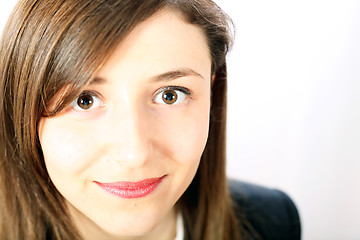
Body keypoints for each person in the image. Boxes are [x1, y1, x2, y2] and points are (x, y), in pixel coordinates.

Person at [0, 0, 301, 239]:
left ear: (211, 91)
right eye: (84, 100)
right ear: (21, 108)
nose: (135, 154)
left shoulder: (272, 221)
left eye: (170, 95)